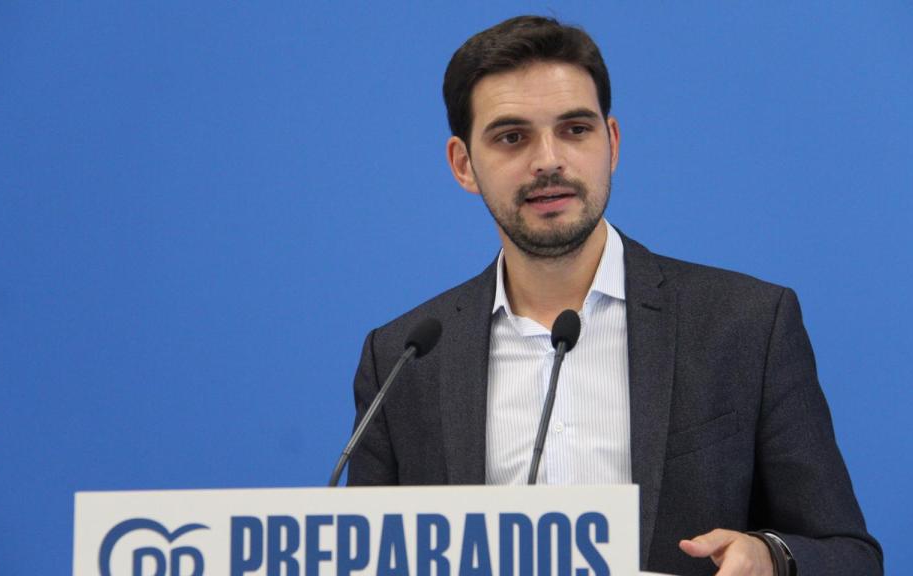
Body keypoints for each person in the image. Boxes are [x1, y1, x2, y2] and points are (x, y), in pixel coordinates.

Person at [347, 15, 882, 576]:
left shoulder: (745, 325)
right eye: (512, 137)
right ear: (464, 165)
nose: (548, 160)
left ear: (612, 142)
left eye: (575, 129)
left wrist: (772, 558)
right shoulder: (403, 360)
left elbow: (850, 556)